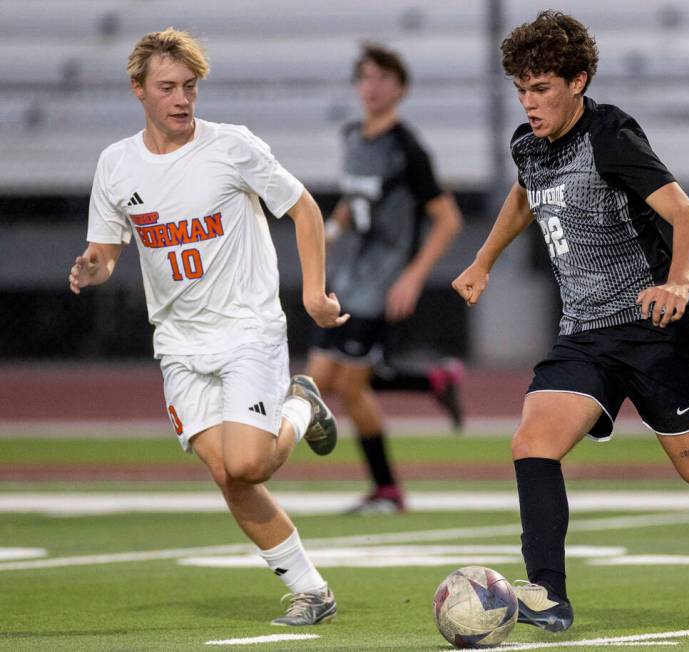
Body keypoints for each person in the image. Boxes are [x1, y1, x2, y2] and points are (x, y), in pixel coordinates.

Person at [452, 10, 689, 634]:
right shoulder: (528, 142)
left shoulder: (613, 137)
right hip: (583, 334)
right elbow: (524, 191)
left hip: (652, 329)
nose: (529, 102)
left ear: (579, 80)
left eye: (541, 88)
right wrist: (482, 260)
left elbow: (687, 216)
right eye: (520, 88)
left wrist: (677, 283)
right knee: (532, 443)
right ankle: (548, 593)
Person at [68, 28, 348, 626]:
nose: (181, 99)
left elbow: (304, 207)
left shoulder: (231, 147)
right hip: (176, 341)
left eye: (189, 87)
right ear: (138, 89)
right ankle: (312, 591)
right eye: (167, 87)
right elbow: (108, 247)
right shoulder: (116, 164)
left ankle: (299, 403)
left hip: (247, 326)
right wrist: (95, 265)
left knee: (246, 464)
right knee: (227, 473)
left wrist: (314, 290)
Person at [305, 43, 464, 514]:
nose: (372, 87)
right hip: (345, 276)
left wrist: (412, 277)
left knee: (337, 385)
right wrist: (328, 235)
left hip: (379, 284)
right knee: (330, 383)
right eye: (366, 78)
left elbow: (448, 218)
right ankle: (433, 381)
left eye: (382, 79)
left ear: (400, 88)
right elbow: (352, 204)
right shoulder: (352, 135)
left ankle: (387, 491)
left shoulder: (406, 148)